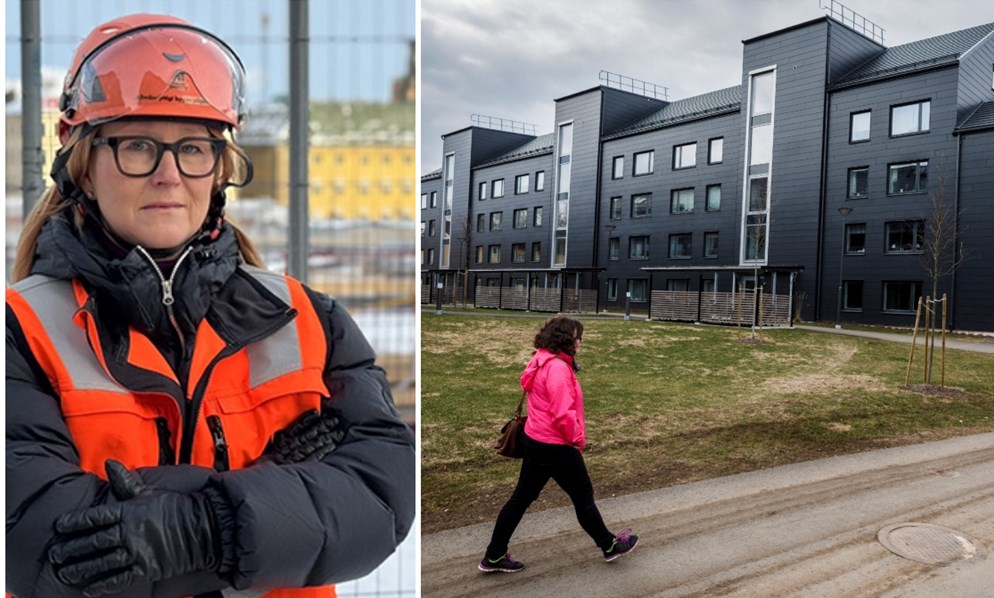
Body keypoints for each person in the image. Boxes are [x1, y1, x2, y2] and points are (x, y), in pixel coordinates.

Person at [6, 14, 415, 598]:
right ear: (85, 168)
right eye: (139, 146)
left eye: (194, 148)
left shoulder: (308, 318)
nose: (170, 175)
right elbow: (41, 543)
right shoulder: (19, 330)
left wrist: (201, 530)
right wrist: (271, 490)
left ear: (219, 171)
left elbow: (381, 500)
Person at [479, 316, 638, 573]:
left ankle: (494, 555)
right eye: (579, 339)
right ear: (567, 340)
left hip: (535, 440)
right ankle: (609, 546)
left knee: (521, 498)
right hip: (556, 445)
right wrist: (577, 439)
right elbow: (562, 413)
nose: (581, 343)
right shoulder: (557, 369)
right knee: (583, 497)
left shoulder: (541, 359)